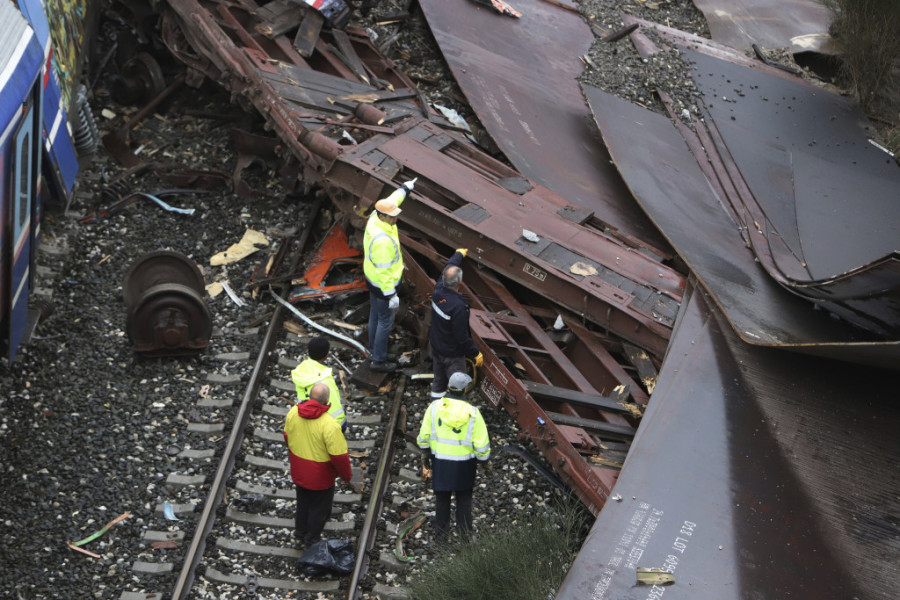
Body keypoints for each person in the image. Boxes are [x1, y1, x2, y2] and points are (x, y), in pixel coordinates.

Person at [417, 372, 491, 542]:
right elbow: (481, 444)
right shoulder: (473, 413)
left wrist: (425, 453)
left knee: (442, 499)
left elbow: (424, 435)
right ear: (465, 389)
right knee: (464, 499)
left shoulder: (434, 408)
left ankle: (441, 539)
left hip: (441, 462)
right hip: (465, 464)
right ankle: (464, 538)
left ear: (448, 387)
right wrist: (485, 461)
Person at [283, 382, 353, 548]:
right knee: (318, 508)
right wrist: (346, 476)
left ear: (310, 396)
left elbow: (287, 436)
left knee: (303, 502)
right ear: (327, 399)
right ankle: (312, 539)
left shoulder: (294, 412)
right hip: (320, 476)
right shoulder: (329, 425)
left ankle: (300, 533)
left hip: (299, 469)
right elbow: (339, 457)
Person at [363, 177, 417, 372]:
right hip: (383, 286)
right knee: (385, 321)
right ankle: (378, 359)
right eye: (392, 216)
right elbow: (384, 270)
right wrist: (390, 294)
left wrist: (405, 189)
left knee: (375, 316)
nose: (396, 218)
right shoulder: (382, 240)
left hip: (372, 281)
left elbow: (392, 199)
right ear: (383, 216)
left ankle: (375, 351)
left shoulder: (376, 218)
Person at [429, 248, 484, 399]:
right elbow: (461, 336)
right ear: (460, 282)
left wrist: (458, 254)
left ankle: (435, 406)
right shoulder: (458, 307)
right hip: (452, 354)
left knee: (439, 381)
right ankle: (454, 413)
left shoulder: (438, 290)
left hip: (436, 347)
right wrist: (475, 352)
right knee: (457, 387)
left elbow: (449, 266)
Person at [291, 336, 346, 431]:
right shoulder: (325, 380)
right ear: (326, 356)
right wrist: (341, 425)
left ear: (308, 351)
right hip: (324, 426)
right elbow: (335, 409)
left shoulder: (301, 371)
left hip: (305, 418)